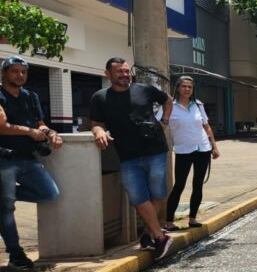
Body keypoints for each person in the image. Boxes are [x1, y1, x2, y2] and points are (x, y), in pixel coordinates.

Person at [90, 58, 174, 260]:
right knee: (138, 198)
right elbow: (96, 123)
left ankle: (147, 234)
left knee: (157, 195)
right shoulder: (100, 98)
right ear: (107, 74)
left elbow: (168, 100)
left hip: (156, 151)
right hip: (127, 156)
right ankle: (160, 237)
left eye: (127, 71)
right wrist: (99, 132)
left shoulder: (144, 89)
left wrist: (164, 121)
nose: (124, 75)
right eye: (119, 72)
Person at [0, 56, 60, 272]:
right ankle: (16, 255)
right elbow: (2, 126)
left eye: (23, 72)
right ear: (4, 73)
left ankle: (5, 194)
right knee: (6, 208)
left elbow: (40, 125)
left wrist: (51, 133)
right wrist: (29, 132)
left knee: (49, 193)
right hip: (4, 159)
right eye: (14, 71)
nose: (20, 75)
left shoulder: (31, 97)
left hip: (27, 157)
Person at [157, 76, 220, 231]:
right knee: (179, 185)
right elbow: (159, 125)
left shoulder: (198, 105)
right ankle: (169, 221)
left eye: (190, 87)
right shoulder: (169, 105)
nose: (187, 89)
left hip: (203, 149)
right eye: (184, 86)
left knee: (198, 185)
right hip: (184, 150)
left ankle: (192, 218)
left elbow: (206, 127)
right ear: (177, 88)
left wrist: (214, 146)